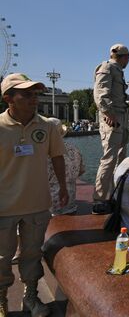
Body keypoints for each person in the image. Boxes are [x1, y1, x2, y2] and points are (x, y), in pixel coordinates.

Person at [0, 73, 68, 316]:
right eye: (26, 94)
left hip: (37, 204)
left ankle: (30, 297)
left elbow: (57, 157)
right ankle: (1, 300)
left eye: (35, 94)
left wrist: (63, 186)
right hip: (3, 207)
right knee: (1, 258)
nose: (33, 99)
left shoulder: (48, 126)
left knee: (32, 255)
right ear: (9, 98)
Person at [92, 43, 129, 214]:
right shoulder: (107, 67)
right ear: (122, 57)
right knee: (109, 158)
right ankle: (100, 199)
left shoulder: (117, 70)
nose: (128, 62)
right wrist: (108, 113)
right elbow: (100, 93)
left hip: (121, 117)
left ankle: (114, 194)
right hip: (113, 118)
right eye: (127, 58)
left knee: (120, 157)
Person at [47, 118, 85, 215]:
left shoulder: (42, 152)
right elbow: (81, 171)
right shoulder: (74, 149)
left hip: (47, 208)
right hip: (70, 205)